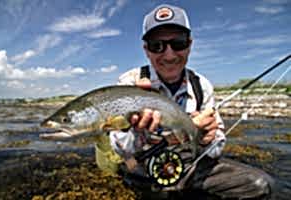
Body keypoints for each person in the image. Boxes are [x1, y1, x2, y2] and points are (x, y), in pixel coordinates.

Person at [109, 4, 274, 200]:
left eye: (178, 43)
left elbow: (217, 146)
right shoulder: (129, 83)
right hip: (144, 169)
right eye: (157, 46)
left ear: (190, 44)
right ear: (146, 50)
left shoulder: (201, 86)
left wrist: (206, 139)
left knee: (262, 185)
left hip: (191, 166)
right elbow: (119, 149)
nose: (169, 55)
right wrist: (135, 129)